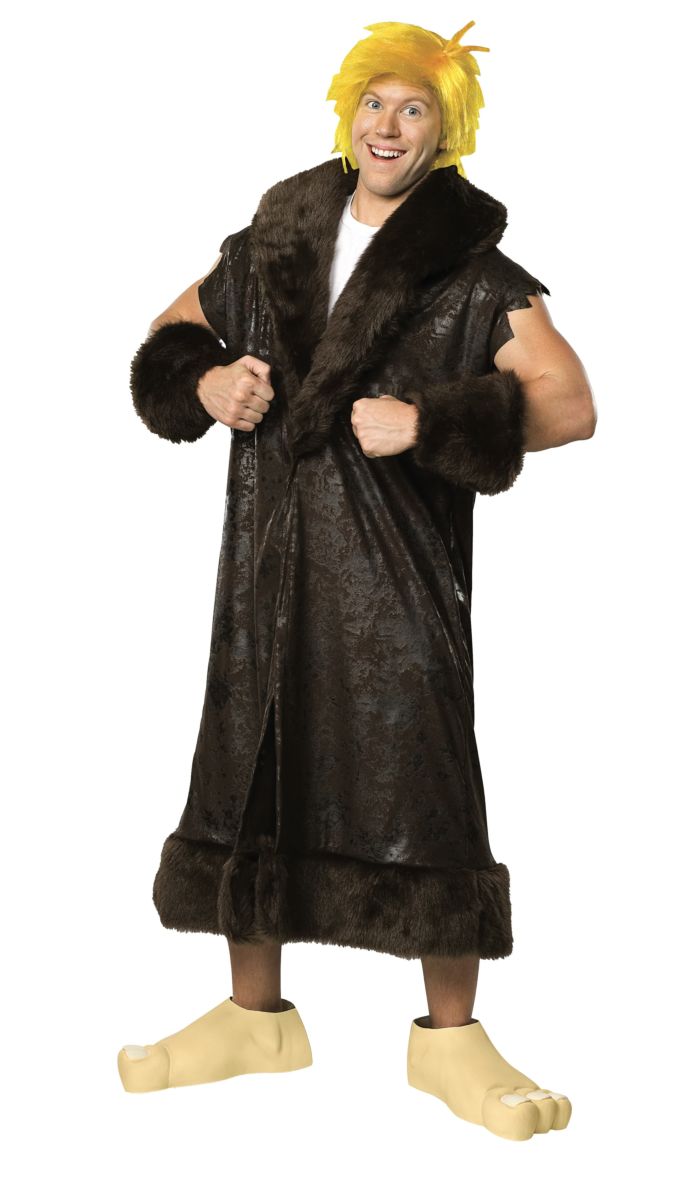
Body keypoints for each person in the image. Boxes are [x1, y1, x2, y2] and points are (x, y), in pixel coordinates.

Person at [120, 20, 595, 1141]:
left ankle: (450, 1043)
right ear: (348, 113)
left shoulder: (471, 275)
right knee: (250, 765)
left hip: (395, 582)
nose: (388, 126)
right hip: (264, 571)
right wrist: (206, 385)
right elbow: (168, 337)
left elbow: (570, 404)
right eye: (374, 103)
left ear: (444, 129)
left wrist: (428, 420)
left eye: (413, 108)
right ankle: (256, 1020)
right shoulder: (268, 247)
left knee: (423, 777)